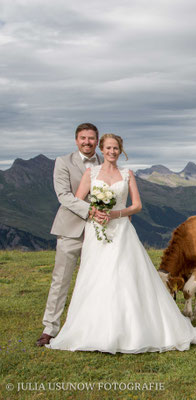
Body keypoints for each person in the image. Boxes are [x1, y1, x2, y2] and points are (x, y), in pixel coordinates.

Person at [46, 134, 196, 353]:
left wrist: (117, 213)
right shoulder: (90, 173)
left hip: (121, 231)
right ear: (102, 149)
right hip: (96, 231)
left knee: (125, 276)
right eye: (109, 148)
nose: (112, 152)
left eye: (116, 148)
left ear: (121, 151)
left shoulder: (127, 174)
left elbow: (137, 205)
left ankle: (131, 329)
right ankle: (92, 330)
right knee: (95, 277)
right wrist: (96, 212)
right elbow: (78, 199)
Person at [36, 123, 106, 347]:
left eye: (91, 138)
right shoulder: (63, 162)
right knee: (61, 280)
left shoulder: (105, 164)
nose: (87, 142)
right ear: (76, 140)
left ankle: (92, 326)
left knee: (96, 280)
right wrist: (90, 211)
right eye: (83, 138)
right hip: (70, 229)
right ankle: (50, 328)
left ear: (97, 141)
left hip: (98, 232)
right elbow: (64, 195)